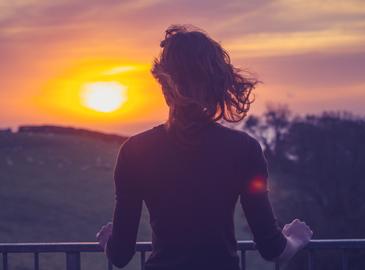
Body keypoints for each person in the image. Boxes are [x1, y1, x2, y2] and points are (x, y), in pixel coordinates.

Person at [96, 24, 313, 270]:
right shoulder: (244, 150)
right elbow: (273, 249)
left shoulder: (134, 151)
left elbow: (121, 255)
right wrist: (296, 238)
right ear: (217, 86)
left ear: (165, 87)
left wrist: (108, 242)